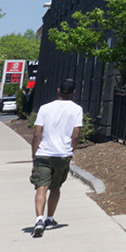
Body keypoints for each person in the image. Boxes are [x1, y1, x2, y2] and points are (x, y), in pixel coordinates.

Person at [30, 78, 83, 238]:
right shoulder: (77, 109)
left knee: (41, 187)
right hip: (62, 154)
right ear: (74, 92)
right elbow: (76, 134)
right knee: (55, 187)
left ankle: (39, 219)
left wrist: (34, 152)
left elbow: (37, 133)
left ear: (58, 90)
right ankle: (50, 218)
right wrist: (70, 149)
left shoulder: (45, 108)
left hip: (44, 152)